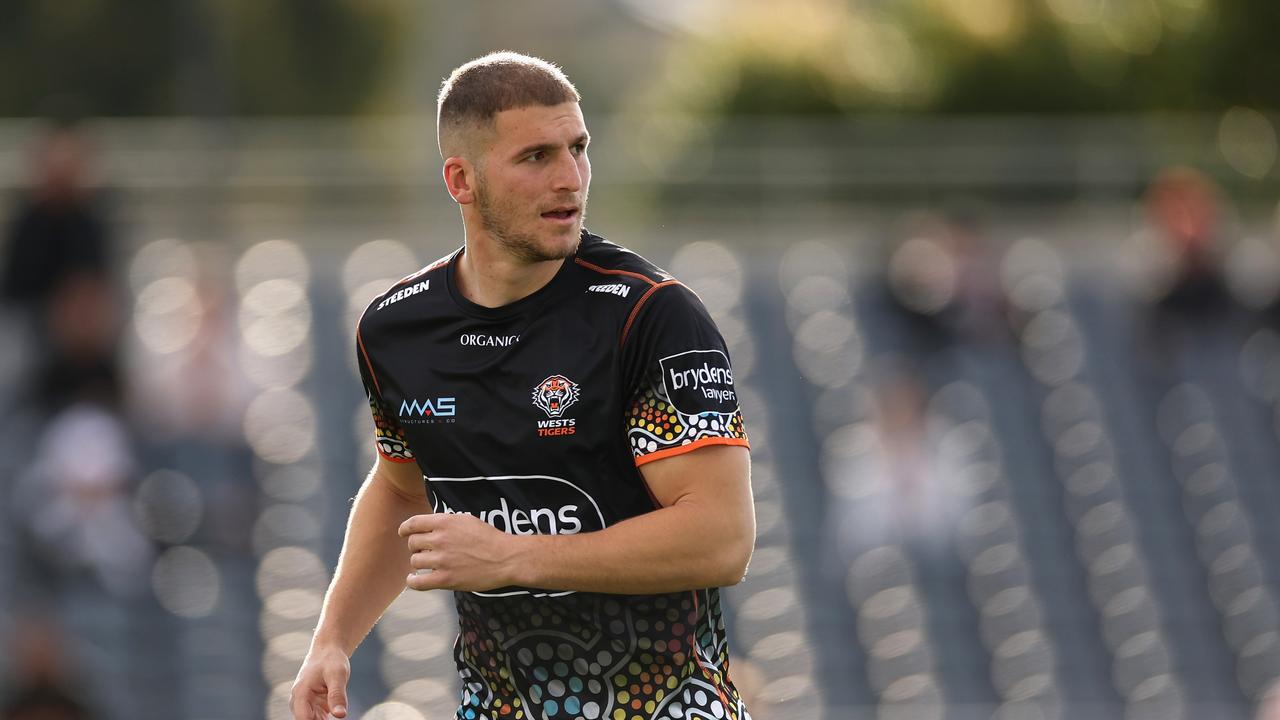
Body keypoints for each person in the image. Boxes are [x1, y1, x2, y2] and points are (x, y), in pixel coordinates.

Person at [291, 52, 756, 720]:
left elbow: (721, 538)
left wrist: (516, 557)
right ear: (461, 180)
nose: (570, 178)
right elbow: (400, 486)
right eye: (536, 157)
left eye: (578, 148)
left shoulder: (648, 315)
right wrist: (332, 639)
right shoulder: (396, 330)